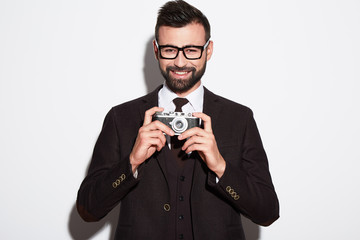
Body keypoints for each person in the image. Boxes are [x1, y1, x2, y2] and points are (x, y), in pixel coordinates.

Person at [76, 0, 279, 239]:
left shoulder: (240, 118)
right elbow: (88, 210)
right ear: (156, 49)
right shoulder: (121, 118)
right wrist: (131, 163)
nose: (180, 62)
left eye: (191, 50)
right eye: (170, 50)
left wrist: (220, 167)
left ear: (208, 50)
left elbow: (267, 212)